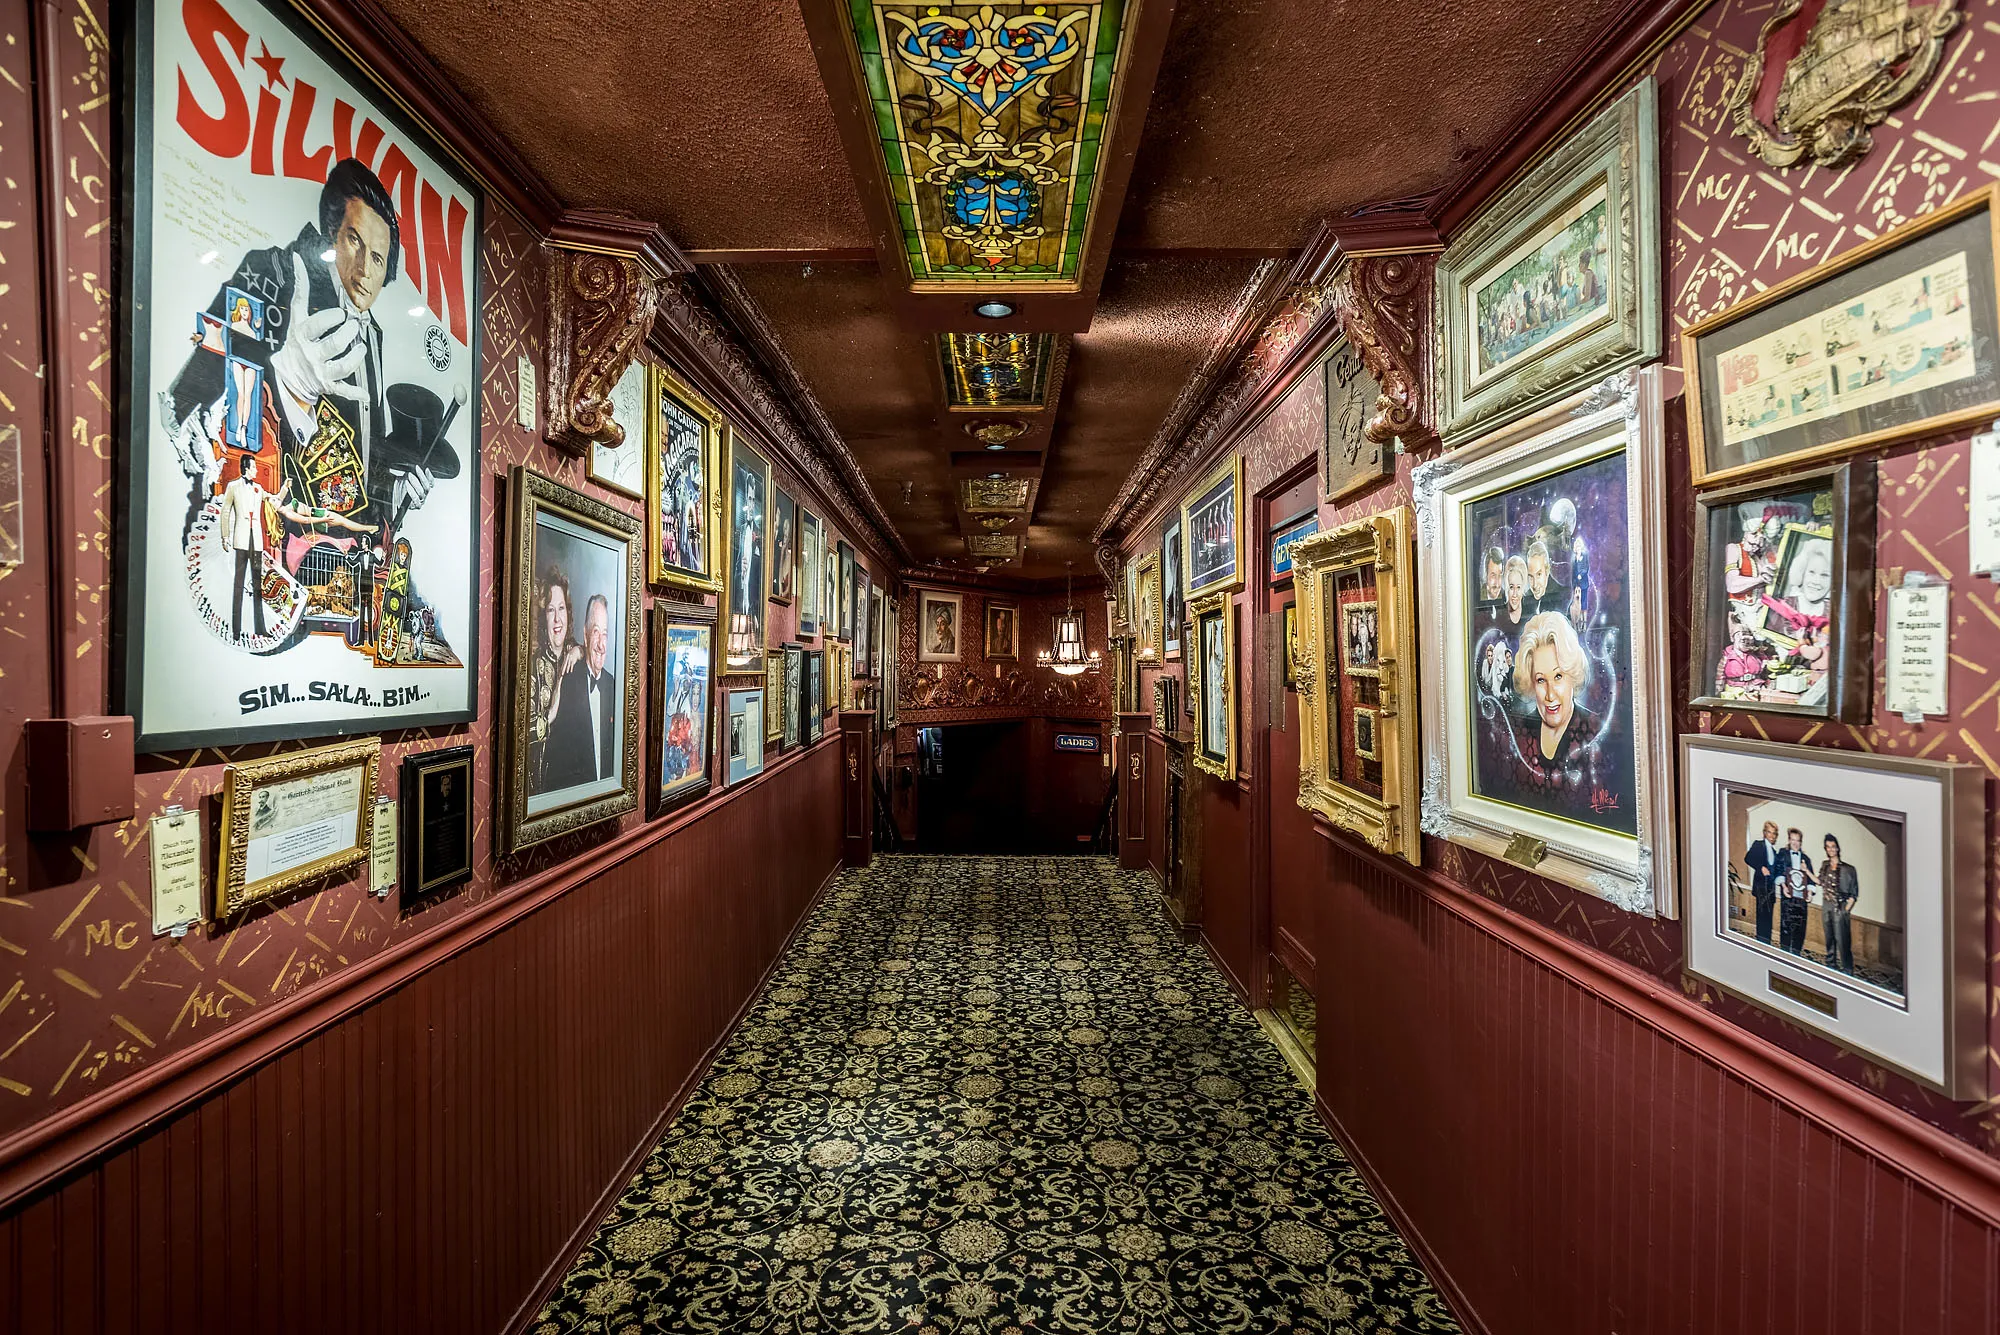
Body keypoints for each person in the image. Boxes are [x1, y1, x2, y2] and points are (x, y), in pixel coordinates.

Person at [545, 594, 617, 791]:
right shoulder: (567, 682)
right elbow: (557, 759)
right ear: (585, 636)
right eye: (596, 632)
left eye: (605, 634)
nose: (602, 645)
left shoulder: (613, 686)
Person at [1511, 612, 1596, 776]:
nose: (1550, 695)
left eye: (1558, 677)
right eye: (1541, 680)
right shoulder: (1520, 731)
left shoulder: (1594, 732)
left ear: (1572, 675)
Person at [529, 569, 581, 791]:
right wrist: (549, 715)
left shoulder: (579, 655)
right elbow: (520, 733)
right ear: (543, 619)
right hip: (544, 782)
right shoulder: (533, 665)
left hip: (578, 776)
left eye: (561, 608)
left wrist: (581, 651)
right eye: (551, 610)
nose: (558, 618)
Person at [220, 455, 274, 639]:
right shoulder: (233, 487)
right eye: (254, 467)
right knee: (239, 584)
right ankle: (236, 629)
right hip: (242, 539)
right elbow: (226, 510)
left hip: (256, 541)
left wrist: (285, 489)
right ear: (246, 468)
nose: (256, 470)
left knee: (258, 586)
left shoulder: (258, 489)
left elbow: (273, 499)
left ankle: (260, 628)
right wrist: (225, 535)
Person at [1818, 834, 1859, 973]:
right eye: (1828, 847)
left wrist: (1845, 910)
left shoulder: (1849, 869)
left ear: (1837, 848)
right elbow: (1819, 882)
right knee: (1829, 939)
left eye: (1833, 846)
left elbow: (1854, 894)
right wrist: (1806, 871)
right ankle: (1831, 966)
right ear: (1826, 849)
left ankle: (1848, 970)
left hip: (1840, 907)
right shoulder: (1824, 865)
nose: (1831, 849)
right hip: (1826, 906)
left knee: (1843, 942)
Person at [1774, 827, 1815, 955]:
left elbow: (1811, 879)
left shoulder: (1806, 859)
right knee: (1786, 926)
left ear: (1801, 842)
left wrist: (1809, 893)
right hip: (1788, 896)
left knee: (1800, 927)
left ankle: (1796, 954)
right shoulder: (1782, 853)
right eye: (1793, 840)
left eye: (1797, 840)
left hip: (1802, 900)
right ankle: (1784, 953)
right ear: (1789, 840)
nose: (1795, 843)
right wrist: (1784, 887)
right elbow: (1778, 871)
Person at [1742, 819, 1782, 945]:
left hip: (1771, 890)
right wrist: (1760, 867)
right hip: (1761, 889)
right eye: (1769, 832)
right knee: (1761, 918)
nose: (1771, 835)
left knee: (1768, 919)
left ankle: (1767, 943)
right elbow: (1748, 858)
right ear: (1764, 833)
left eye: (1774, 833)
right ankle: (1761, 943)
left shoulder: (1775, 853)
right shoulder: (1758, 844)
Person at [1525, 539, 1569, 617]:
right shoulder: (1525, 600)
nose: (1535, 585)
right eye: (1531, 576)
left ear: (1547, 570)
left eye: (1539, 574)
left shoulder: (1562, 596)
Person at [1500, 555, 1530, 631]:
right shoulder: (1499, 615)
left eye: (1518, 587)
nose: (1515, 594)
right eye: (1511, 587)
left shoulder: (1531, 614)